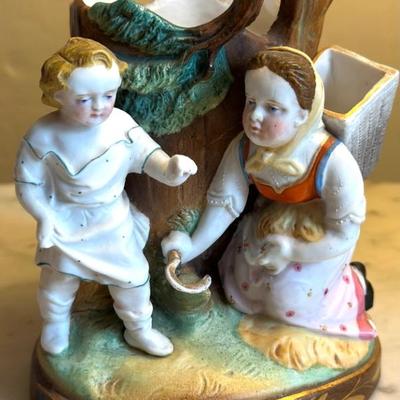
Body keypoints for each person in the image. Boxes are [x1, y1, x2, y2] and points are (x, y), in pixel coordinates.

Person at [162, 46, 376, 341]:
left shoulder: (332, 161)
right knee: (239, 291)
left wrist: (292, 251)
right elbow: (225, 204)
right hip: (270, 224)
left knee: (288, 304)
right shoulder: (244, 148)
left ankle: (357, 286)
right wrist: (192, 246)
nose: (254, 116)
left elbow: (344, 234)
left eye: (272, 108)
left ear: (303, 114)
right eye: (251, 102)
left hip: (316, 236)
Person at [14, 37, 197, 357]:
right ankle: (56, 322)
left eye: (109, 95)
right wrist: (43, 216)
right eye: (85, 99)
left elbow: (150, 158)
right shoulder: (42, 135)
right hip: (64, 222)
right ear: (58, 94)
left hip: (112, 221)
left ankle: (139, 329)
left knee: (133, 278)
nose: (99, 106)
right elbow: (27, 184)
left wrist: (172, 168)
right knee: (58, 280)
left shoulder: (121, 125)